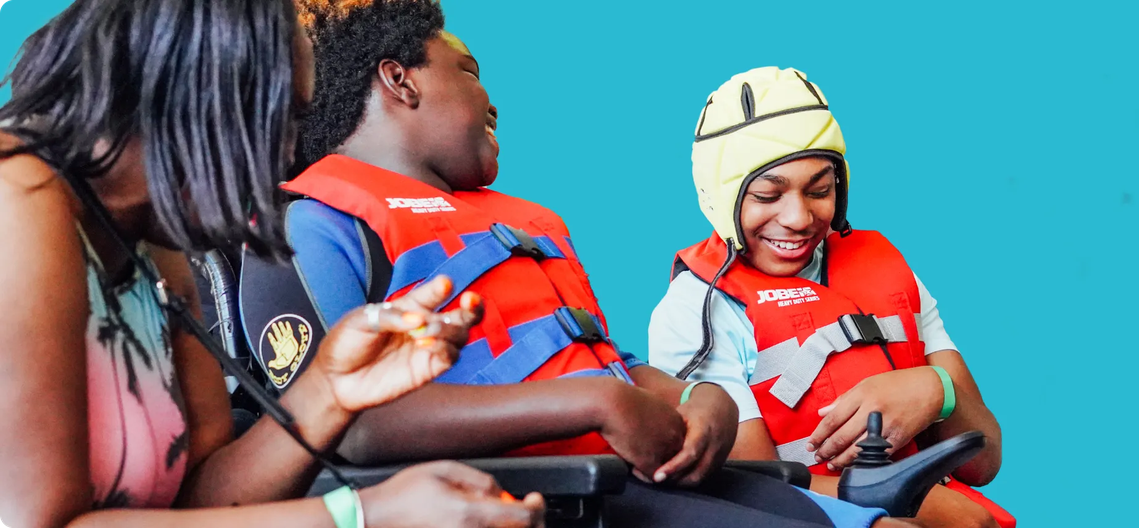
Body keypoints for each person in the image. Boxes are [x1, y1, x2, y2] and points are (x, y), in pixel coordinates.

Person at [238, 1, 910, 527]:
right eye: (469, 73)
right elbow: (348, 427)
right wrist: (591, 402)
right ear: (399, 80)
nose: (492, 101)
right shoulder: (313, 222)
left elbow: (606, 362)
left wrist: (702, 400)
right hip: (547, 501)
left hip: (652, 482)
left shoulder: (524, 222)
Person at [0, 1, 544, 527]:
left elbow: (203, 501)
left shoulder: (157, 250)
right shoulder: (18, 196)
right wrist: (364, 513)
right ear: (201, 91)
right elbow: (44, 521)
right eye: (286, 119)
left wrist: (330, 390)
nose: (289, 155)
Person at [648, 66, 1017, 528]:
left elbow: (984, 459)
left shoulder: (884, 266)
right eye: (766, 195)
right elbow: (752, 494)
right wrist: (932, 508)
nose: (799, 217)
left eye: (819, 189)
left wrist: (936, 389)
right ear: (720, 198)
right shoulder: (698, 311)